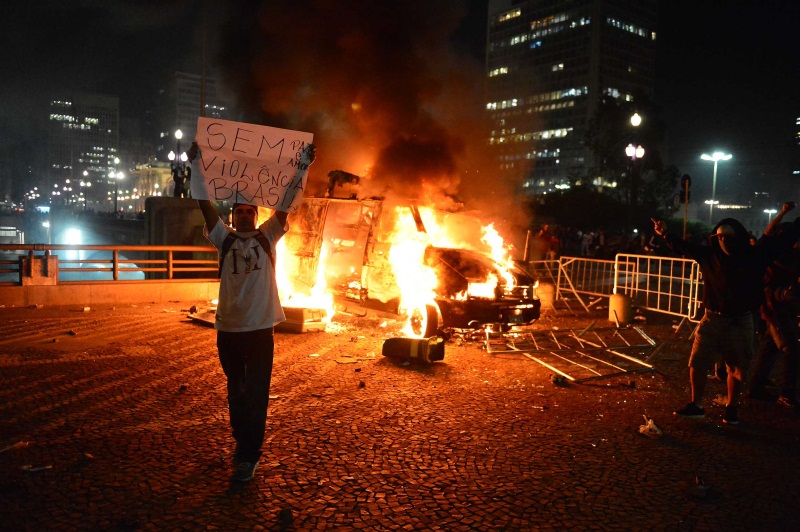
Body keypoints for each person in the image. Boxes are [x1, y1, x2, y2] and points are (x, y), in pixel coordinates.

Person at [192, 142, 316, 482]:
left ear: (257, 217)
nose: (245, 215)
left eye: (250, 211)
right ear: (232, 218)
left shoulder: (268, 237)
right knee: (236, 390)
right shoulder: (224, 239)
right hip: (229, 331)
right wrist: (196, 164)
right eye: (240, 212)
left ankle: (248, 455)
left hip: (260, 331)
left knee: (257, 393)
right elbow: (204, 204)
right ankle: (241, 441)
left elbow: (287, 201)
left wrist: (302, 165)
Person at [652, 214, 800, 425]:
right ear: (715, 238)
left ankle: (731, 407)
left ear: (738, 237)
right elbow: (683, 246)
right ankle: (696, 405)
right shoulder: (709, 255)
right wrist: (664, 232)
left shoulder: (754, 255)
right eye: (720, 237)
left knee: (737, 367)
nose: (723, 241)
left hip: (742, 319)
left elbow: (779, 241)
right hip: (712, 318)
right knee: (698, 362)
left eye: (728, 237)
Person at [748, 202, 800, 409]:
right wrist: (783, 212)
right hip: (774, 307)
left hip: (780, 307)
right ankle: (787, 393)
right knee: (792, 350)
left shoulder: (792, 254)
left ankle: (756, 387)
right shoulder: (775, 254)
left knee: (771, 347)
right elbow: (768, 235)